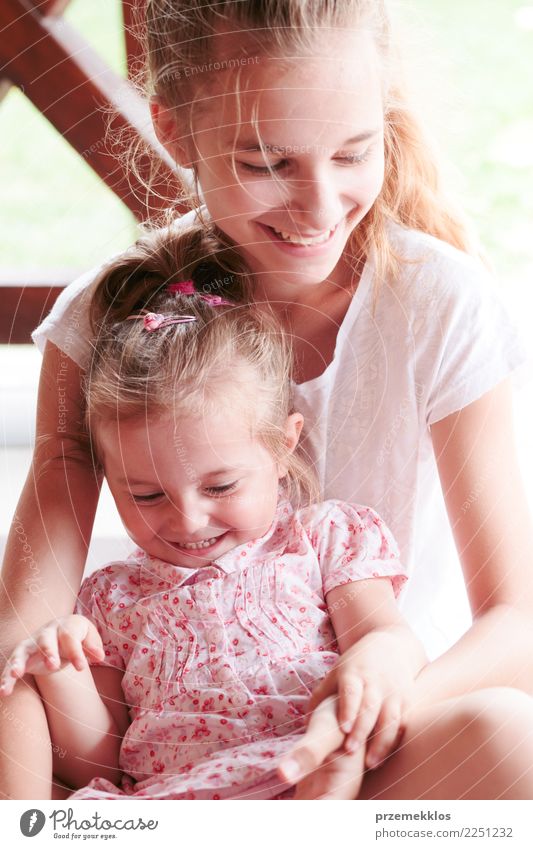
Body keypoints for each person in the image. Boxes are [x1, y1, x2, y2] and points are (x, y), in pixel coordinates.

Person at [2, 0, 533, 800]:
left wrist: (354, 718)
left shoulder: (437, 301)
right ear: (174, 131)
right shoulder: (105, 318)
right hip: (167, 767)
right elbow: (25, 633)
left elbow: (516, 623)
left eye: (355, 153)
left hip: (388, 733)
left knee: (508, 736)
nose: (319, 210)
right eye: (266, 164)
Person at [0, 229, 425, 799]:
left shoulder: (324, 539)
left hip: (310, 761)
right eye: (146, 496)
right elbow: (95, 760)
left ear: (281, 447)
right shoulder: (111, 599)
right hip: (174, 801)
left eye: (221, 486)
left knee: (493, 731)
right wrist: (61, 666)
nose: (190, 520)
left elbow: (389, 637)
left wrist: (374, 665)